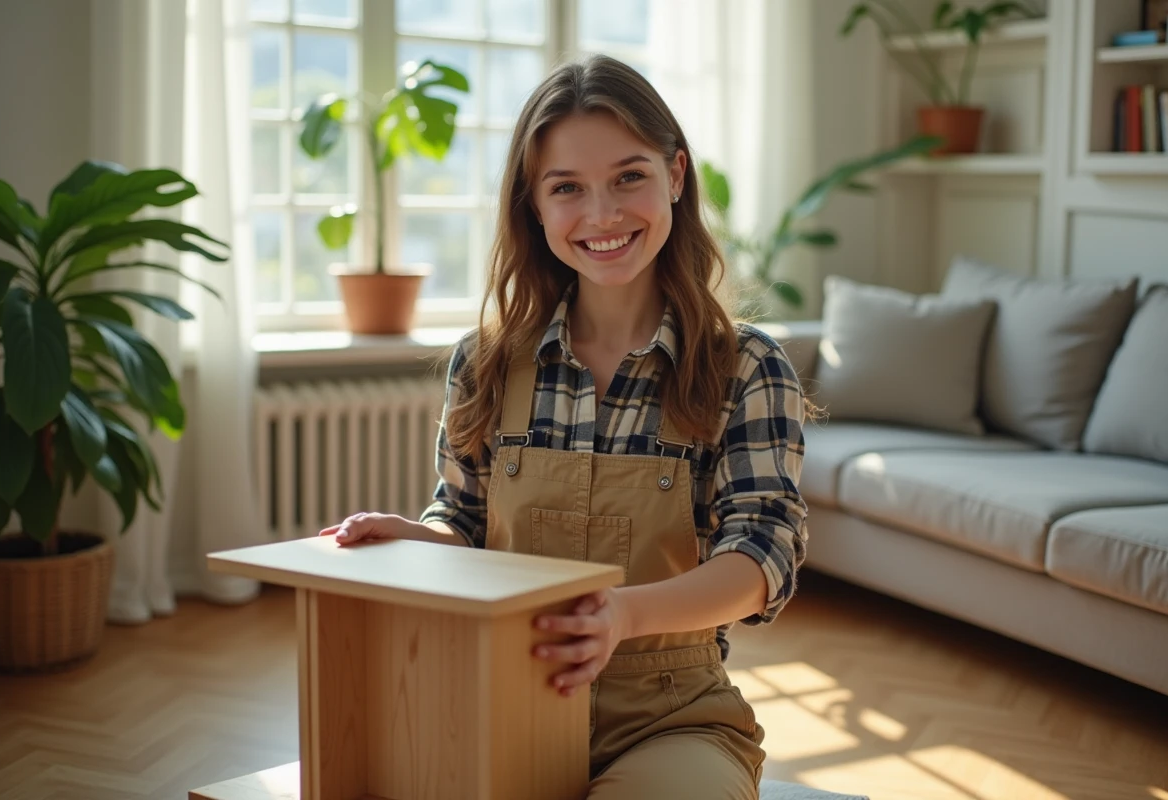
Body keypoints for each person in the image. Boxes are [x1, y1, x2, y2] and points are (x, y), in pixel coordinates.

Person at [318, 54, 809, 800]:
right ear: (534, 205)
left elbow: (760, 558)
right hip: (497, 701)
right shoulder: (485, 363)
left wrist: (623, 614)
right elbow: (467, 524)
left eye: (629, 177)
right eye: (567, 188)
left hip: (672, 719)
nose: (602, 215)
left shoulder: (745, 366)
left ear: (676, 175)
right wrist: (415, 538)